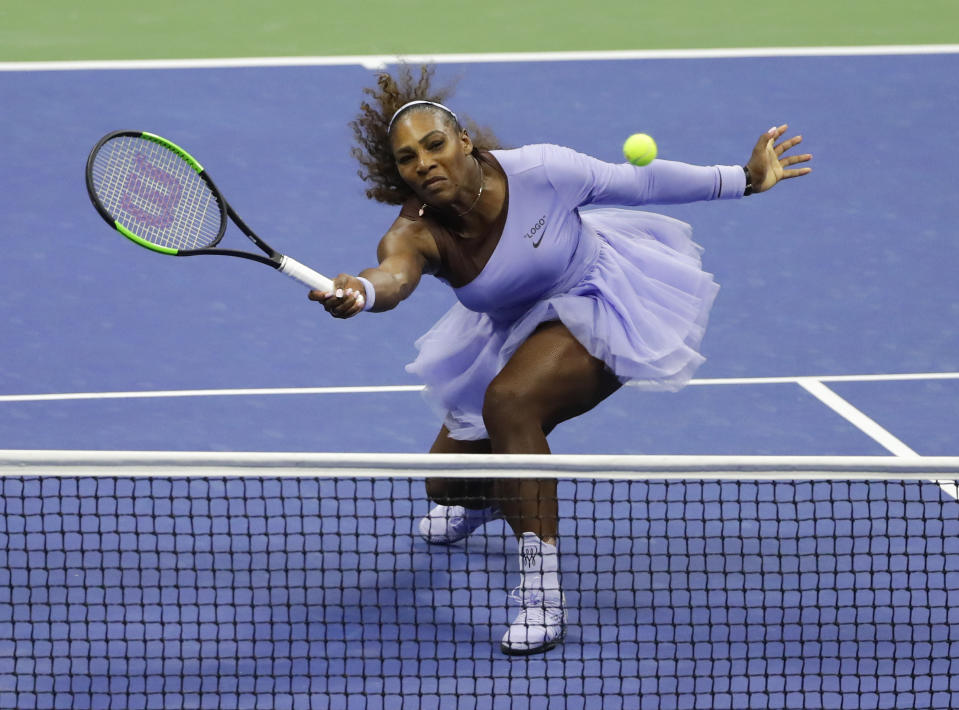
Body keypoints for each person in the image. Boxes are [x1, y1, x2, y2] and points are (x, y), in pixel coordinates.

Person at [311, 65, 812, 656]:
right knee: (447, 486)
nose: (423, 163)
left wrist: (745, 179)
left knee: (511, 402)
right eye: (407, 158)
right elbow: (392, 277)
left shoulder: (541, 172)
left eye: (434, 144)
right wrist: (362, 293)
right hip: (511, 329)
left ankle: (542, 595)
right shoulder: (415, 232)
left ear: (465, 142)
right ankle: (505, 494)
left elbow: (640, 183)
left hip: (600, 297)